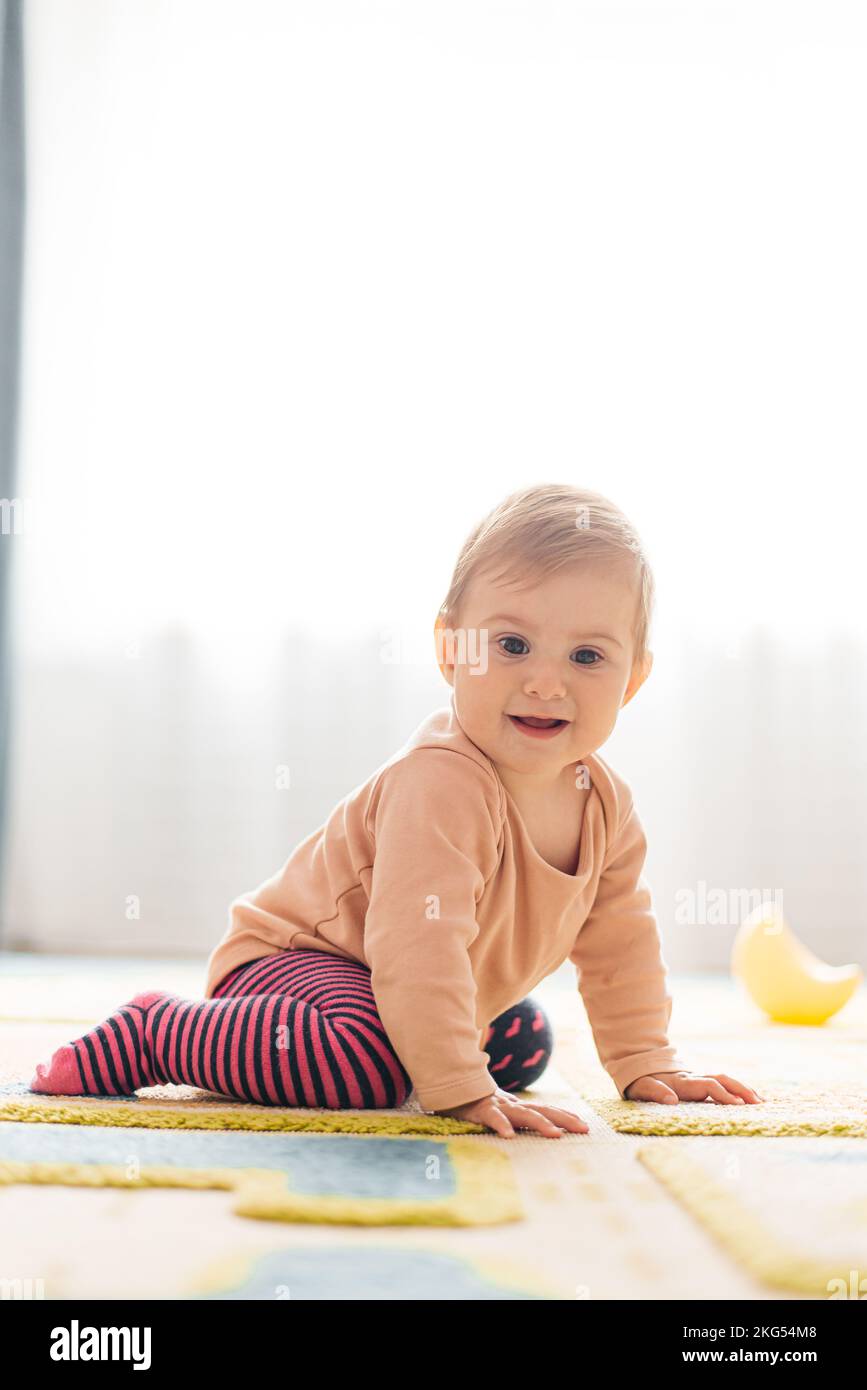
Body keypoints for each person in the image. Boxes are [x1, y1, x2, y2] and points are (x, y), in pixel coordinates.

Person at [31, 482, 762, 1138]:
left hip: (404, 981)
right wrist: (456, 1089)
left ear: (632, 678)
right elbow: (418, 946)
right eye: (511, 645)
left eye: (586, 657)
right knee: (369, 1068)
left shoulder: (605, 804)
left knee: (521, 1043)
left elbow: (619, 942)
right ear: (449, 649)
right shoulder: (440, 783)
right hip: (296, 966)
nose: (544, 683)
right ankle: (157, 1032)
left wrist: (643, 1060)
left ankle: (421, 1046)